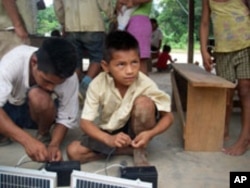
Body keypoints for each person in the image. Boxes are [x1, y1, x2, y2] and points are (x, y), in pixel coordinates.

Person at [66, 31, 174, 166]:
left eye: (134, 62)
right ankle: (127, 150)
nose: (130, 70)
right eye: (121, 64)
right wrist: (109, 139)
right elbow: (85, 123)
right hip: (109, 129)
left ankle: (138, 147)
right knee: (73, 152)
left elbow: (168, 117)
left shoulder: (145, 82)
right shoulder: (97, 84)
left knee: (144, 103)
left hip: (134, 130)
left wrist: (150, 134)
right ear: (106, 66)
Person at [0, 38, 80, 162]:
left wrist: (54, 144)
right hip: (10, 107)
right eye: (47, 81)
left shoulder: (69, 77)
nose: (51, 87)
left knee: (38, 95)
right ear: (34, 62)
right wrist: (27, 140)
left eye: (56, 84)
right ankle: (6, 132)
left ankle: (43, 134)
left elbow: (66, 116)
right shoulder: (12, 62)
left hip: (39, 113)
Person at [200, 0, 250, 156]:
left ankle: (245, 138)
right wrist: (204, 51)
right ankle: (224, 129)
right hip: (222, 51)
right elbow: (204, 23)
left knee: (245, 90)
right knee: (226, 93)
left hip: (246, 44)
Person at [54, 0, 114, 98]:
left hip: (71, 26)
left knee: (75, 61)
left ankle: (73, 92)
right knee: (97, 58)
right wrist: (112, 16)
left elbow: (58, 6)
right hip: (93, 25)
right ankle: (84, 86)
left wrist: (63, 22)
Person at [116, 0, 152, 75]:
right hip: (127, 24)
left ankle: (143, 86)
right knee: (129, 59)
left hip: (138, 23)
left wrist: (131, 2)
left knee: (139, 59)